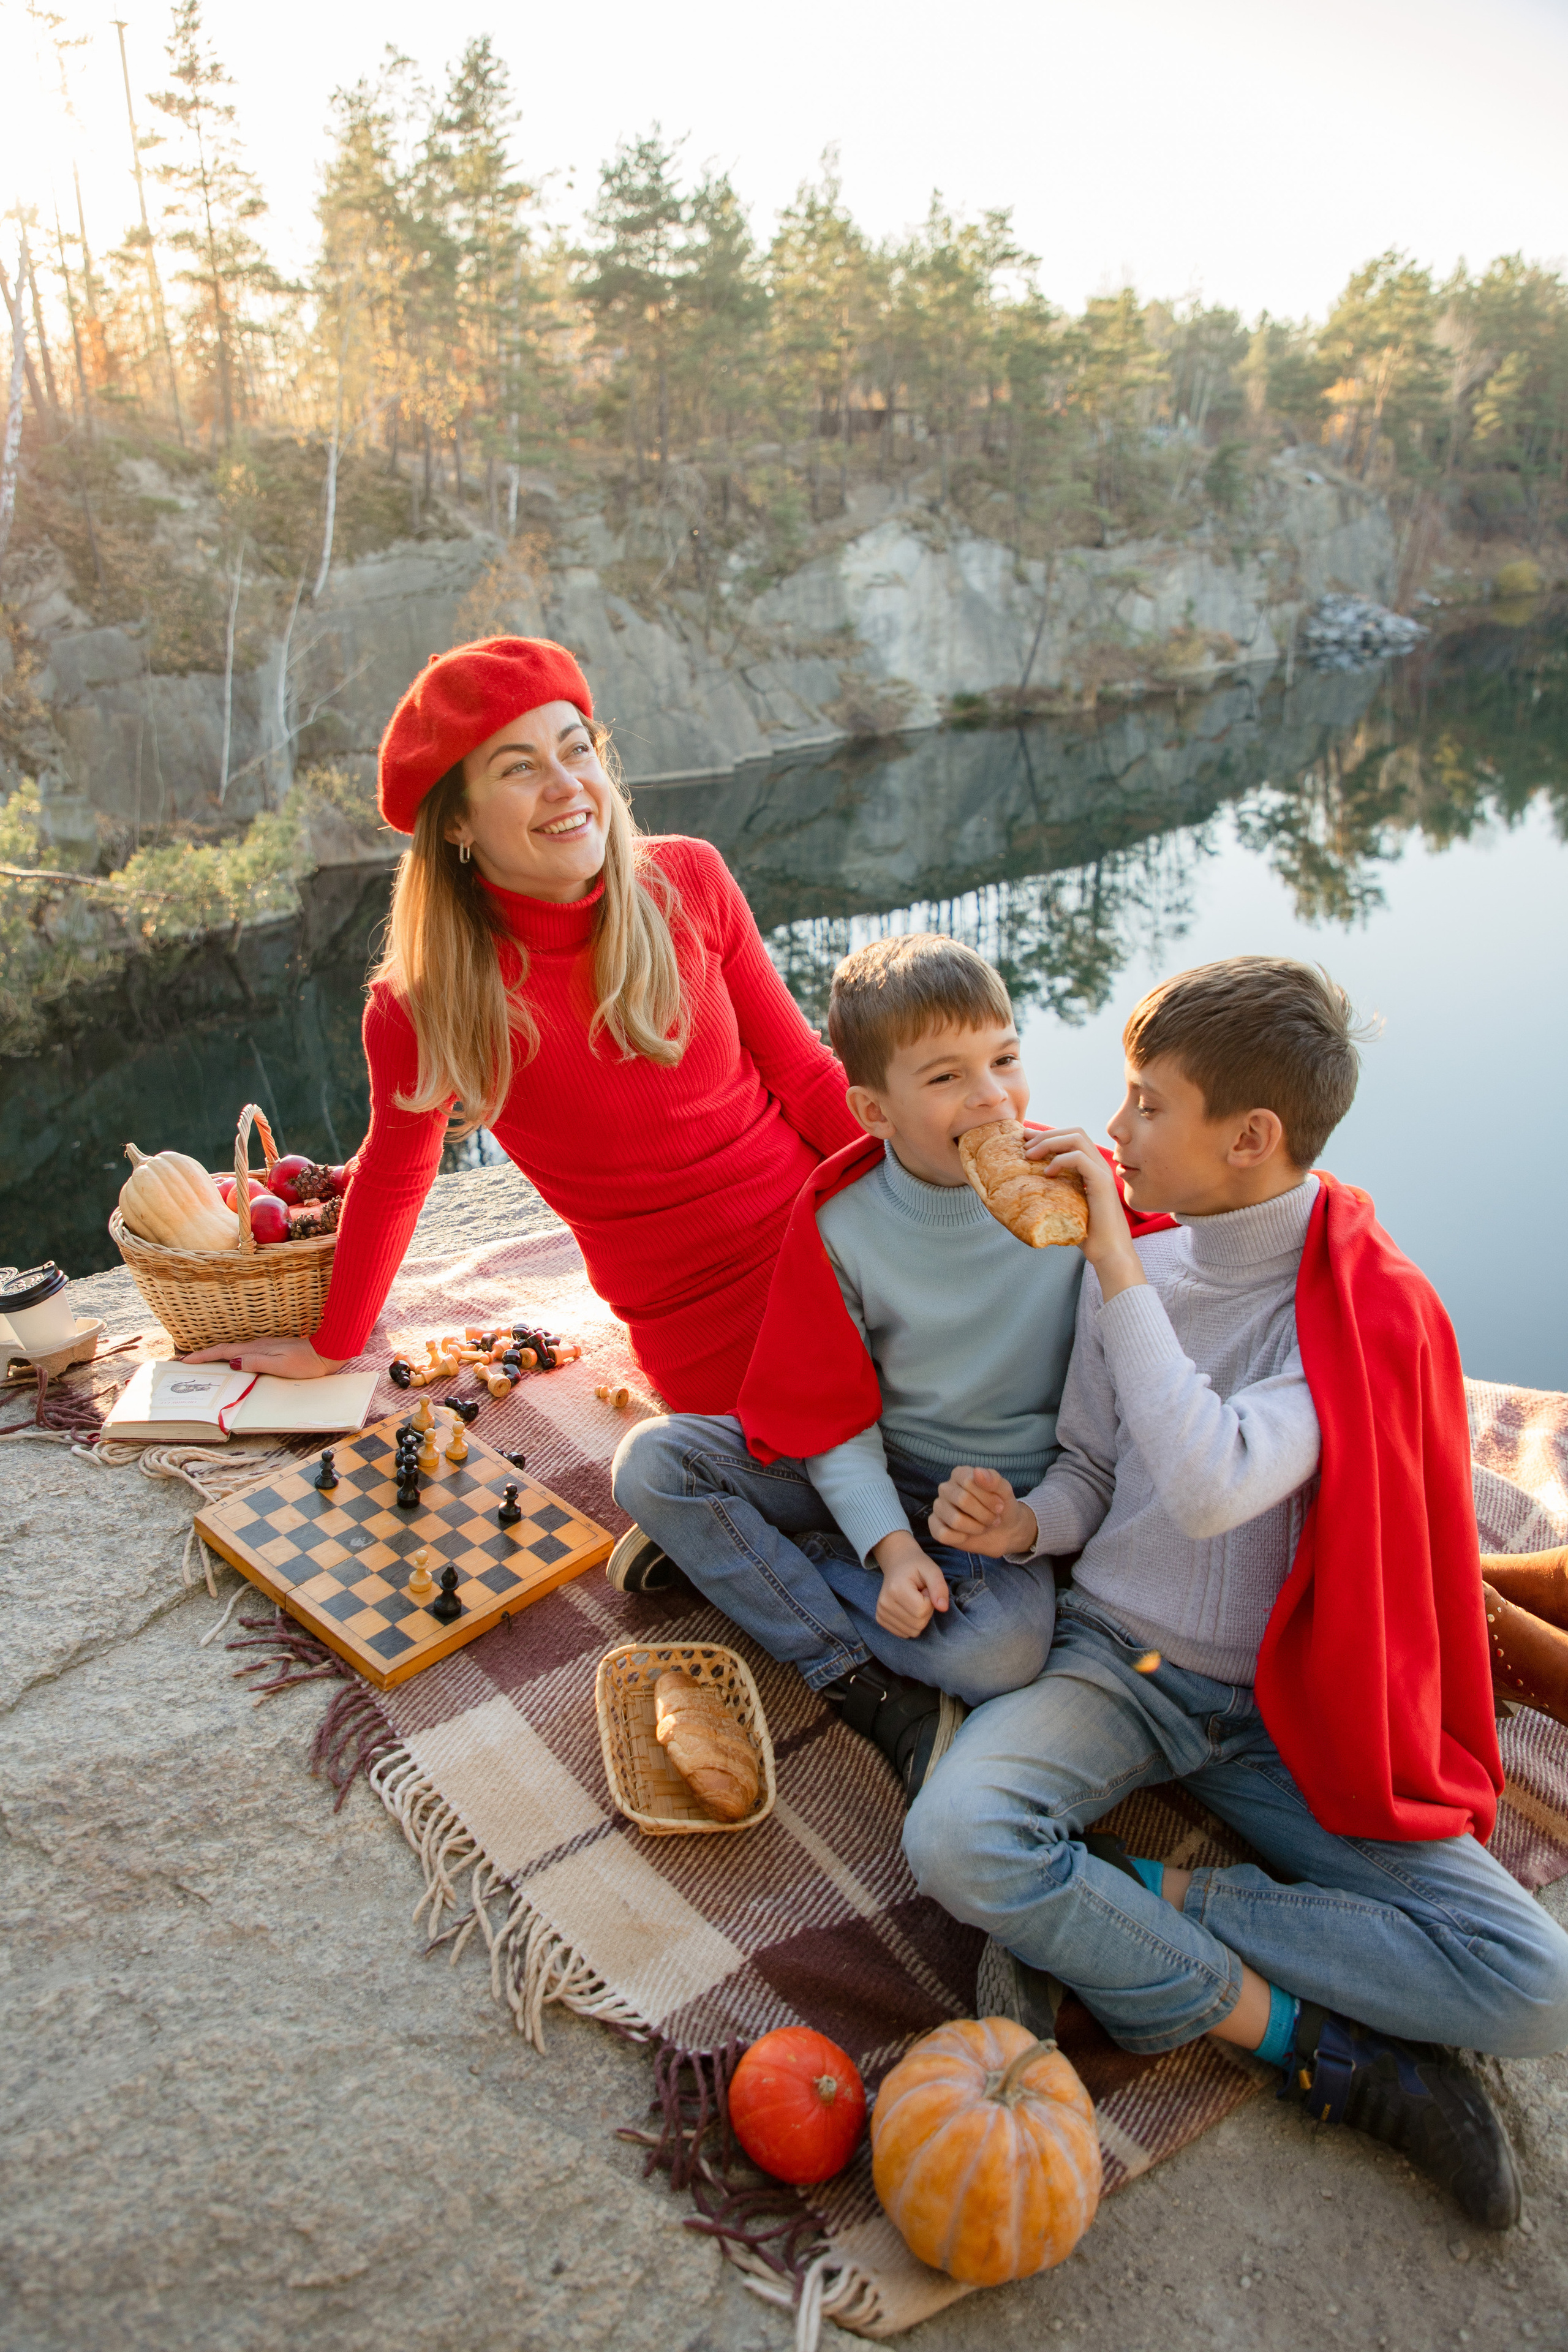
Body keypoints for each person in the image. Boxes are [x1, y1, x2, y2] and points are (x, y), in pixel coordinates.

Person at [902, 955, 1568, 2231]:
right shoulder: (1141, 1276)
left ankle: (1138, 1898)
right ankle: (1311, 2046)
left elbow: (1213, 1484)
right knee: (954, 1840)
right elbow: (1101, 1467)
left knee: (1534, 1985)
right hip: (1116, 1669)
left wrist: (1112, 1254)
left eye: (1147, 1104)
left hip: (1289, 1706)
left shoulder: (1349, 1310)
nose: (1113, 1132)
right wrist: (1028, 1516)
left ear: (1250, 1139)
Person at [187, 636, 861, 1415]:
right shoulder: (424, 1002)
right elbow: (398, 1173)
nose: (567, 786)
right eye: (518, 767)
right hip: (699, 1318)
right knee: (834, 1452)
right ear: (456, 824)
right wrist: (332, 1345)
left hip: (844, 1224)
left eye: (577, 750)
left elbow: (805, 1075)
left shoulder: (689, 878)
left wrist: (966, 1168)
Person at [610, 934, 1166, 1796]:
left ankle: (746, 1559)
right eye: (945, 1078)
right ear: (874, 1111)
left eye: (1005, 1059)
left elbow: (1164, 1323)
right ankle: (842, 1652)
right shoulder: (846, 1221)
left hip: (1002, 1507)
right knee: (653, 1463)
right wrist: (893, 1548)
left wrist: (1117, 1230)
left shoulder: (1079, 1195)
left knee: (1000, 1655)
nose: (992, 1099)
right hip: (875, 1458)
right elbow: (830, 1411)